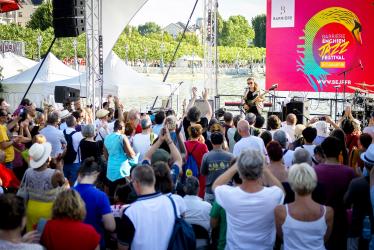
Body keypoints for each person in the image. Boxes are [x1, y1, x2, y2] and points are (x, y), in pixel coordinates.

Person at [212, 149, 284, 249]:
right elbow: (281, 190)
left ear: (240, 172)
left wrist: (235, 167)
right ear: (260, 171)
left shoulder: (229, 195)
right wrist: (265, 169)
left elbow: (216, 185)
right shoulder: (272, 195)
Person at [117, 165, 183, 250]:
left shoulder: (130, 212)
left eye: (132, 182)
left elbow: (122, 247)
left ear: (136, 183)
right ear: (154, 180)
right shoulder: (173, 203)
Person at [274, 163, 334, 250]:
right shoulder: (328, 212)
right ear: (313, 180)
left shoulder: (280, 211)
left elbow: (282, 237)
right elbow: (324, 239)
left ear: (291, 182)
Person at [313, 136, 355, 250]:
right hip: (342, 220)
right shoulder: (349, 172)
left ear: (323, 152)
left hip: (319, 219)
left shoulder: (314, 171)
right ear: (340, 152)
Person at [17, 142, 66, 232]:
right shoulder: (55, 173)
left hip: (31, 208)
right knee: (47, 237)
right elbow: (64, 186)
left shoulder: (28, 172)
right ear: (47, 158)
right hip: (49, 210)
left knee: (32, 237)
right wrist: (59, 167)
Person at [74, 157, 116, 249]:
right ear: (96, 174)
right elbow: (110, 226)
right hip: (95, 243)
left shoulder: (68, 192)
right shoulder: (100, 196)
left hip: (73, 242)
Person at [344, 144, 374, 249]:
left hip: (356, 227)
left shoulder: (357, 183)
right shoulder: (358, 182)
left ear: (365, 164)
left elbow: (346, 202)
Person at [104, 120, 136, 196]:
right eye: (124, 127)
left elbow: (106, 155)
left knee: (112, 195)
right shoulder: (122, 137)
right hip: (122, 172)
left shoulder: (107, 137)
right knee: (123, 196)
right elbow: (131, 154)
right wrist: (134, 157)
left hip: (110, 170)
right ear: (121, 127)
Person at [201, 131, 234, 203]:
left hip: (210, 191)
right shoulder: (231, 156)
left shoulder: (206, 156)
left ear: (211, 142)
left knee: (209, 213)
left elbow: (203, 172)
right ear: (222, 141)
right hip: (226, 191)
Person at [184, 124, 209, 198]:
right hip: (200, 174)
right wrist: (203, 142)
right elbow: (207, 159)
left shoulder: (184, 144)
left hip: (187, 171)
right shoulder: (203, 146)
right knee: (200, 194)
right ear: (200, 134)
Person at [62, 115, 83, 184]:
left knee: (64, 184)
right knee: (74, 185)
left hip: (64, 161)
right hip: (76, 162)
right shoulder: (79, 135)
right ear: (75, 123)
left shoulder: (61, 132)